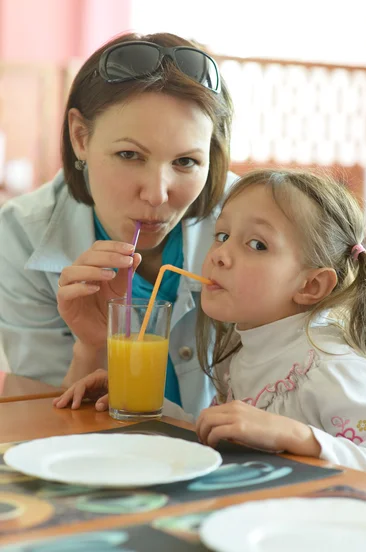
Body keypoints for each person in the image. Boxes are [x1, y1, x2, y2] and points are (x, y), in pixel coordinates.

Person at [55, 169, 366, 480]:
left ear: (311, 285)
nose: (219, 254)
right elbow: (231, 435)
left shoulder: (330, 365)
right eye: (221, 235)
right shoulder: (240, 346)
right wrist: (146, 405)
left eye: (256, 244)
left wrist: (298, 436)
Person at [0, 31, 236, 418]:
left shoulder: (254, 225)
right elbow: (44, 422)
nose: (158, 194)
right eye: (129, 154)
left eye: (186, 162)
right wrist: (90, 347)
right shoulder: (21, 234)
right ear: (80, 137)